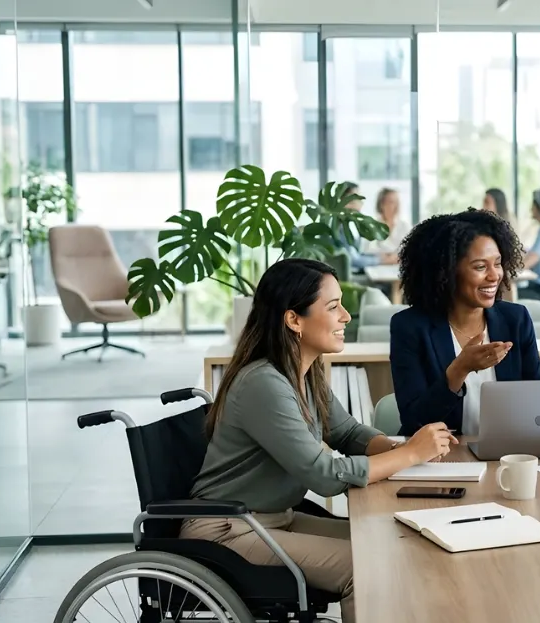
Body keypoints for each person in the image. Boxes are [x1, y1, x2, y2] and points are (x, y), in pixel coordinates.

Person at [180, 258, 457, 623]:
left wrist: (400, 450)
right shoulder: (264, 383)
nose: (346, 316)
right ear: (294, 320)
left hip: (276, 518)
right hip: (227, 530)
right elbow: (325, 475)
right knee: (367, 567)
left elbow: (348, 433)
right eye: (333, 306)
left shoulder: (304, 374)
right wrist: (408, 454)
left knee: (390, 537)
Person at [390, 208, 540, 437]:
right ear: (447, 272)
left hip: (506, 454)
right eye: (480, 267)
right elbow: (415, 421)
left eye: (498, 263)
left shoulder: (516, 319)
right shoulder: (409, 327)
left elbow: (538, 403)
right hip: (443, 460)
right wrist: (459, 370)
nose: (494, 276)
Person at [361, 188, 410, 265]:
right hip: (377, 267)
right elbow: (367, 250)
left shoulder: (404, 226)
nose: (396, 206)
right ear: (381, 204)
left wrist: (394, 256)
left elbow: (411, 250)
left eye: (397, 202)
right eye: (391, 202)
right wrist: (388, 257)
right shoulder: (372, 226)